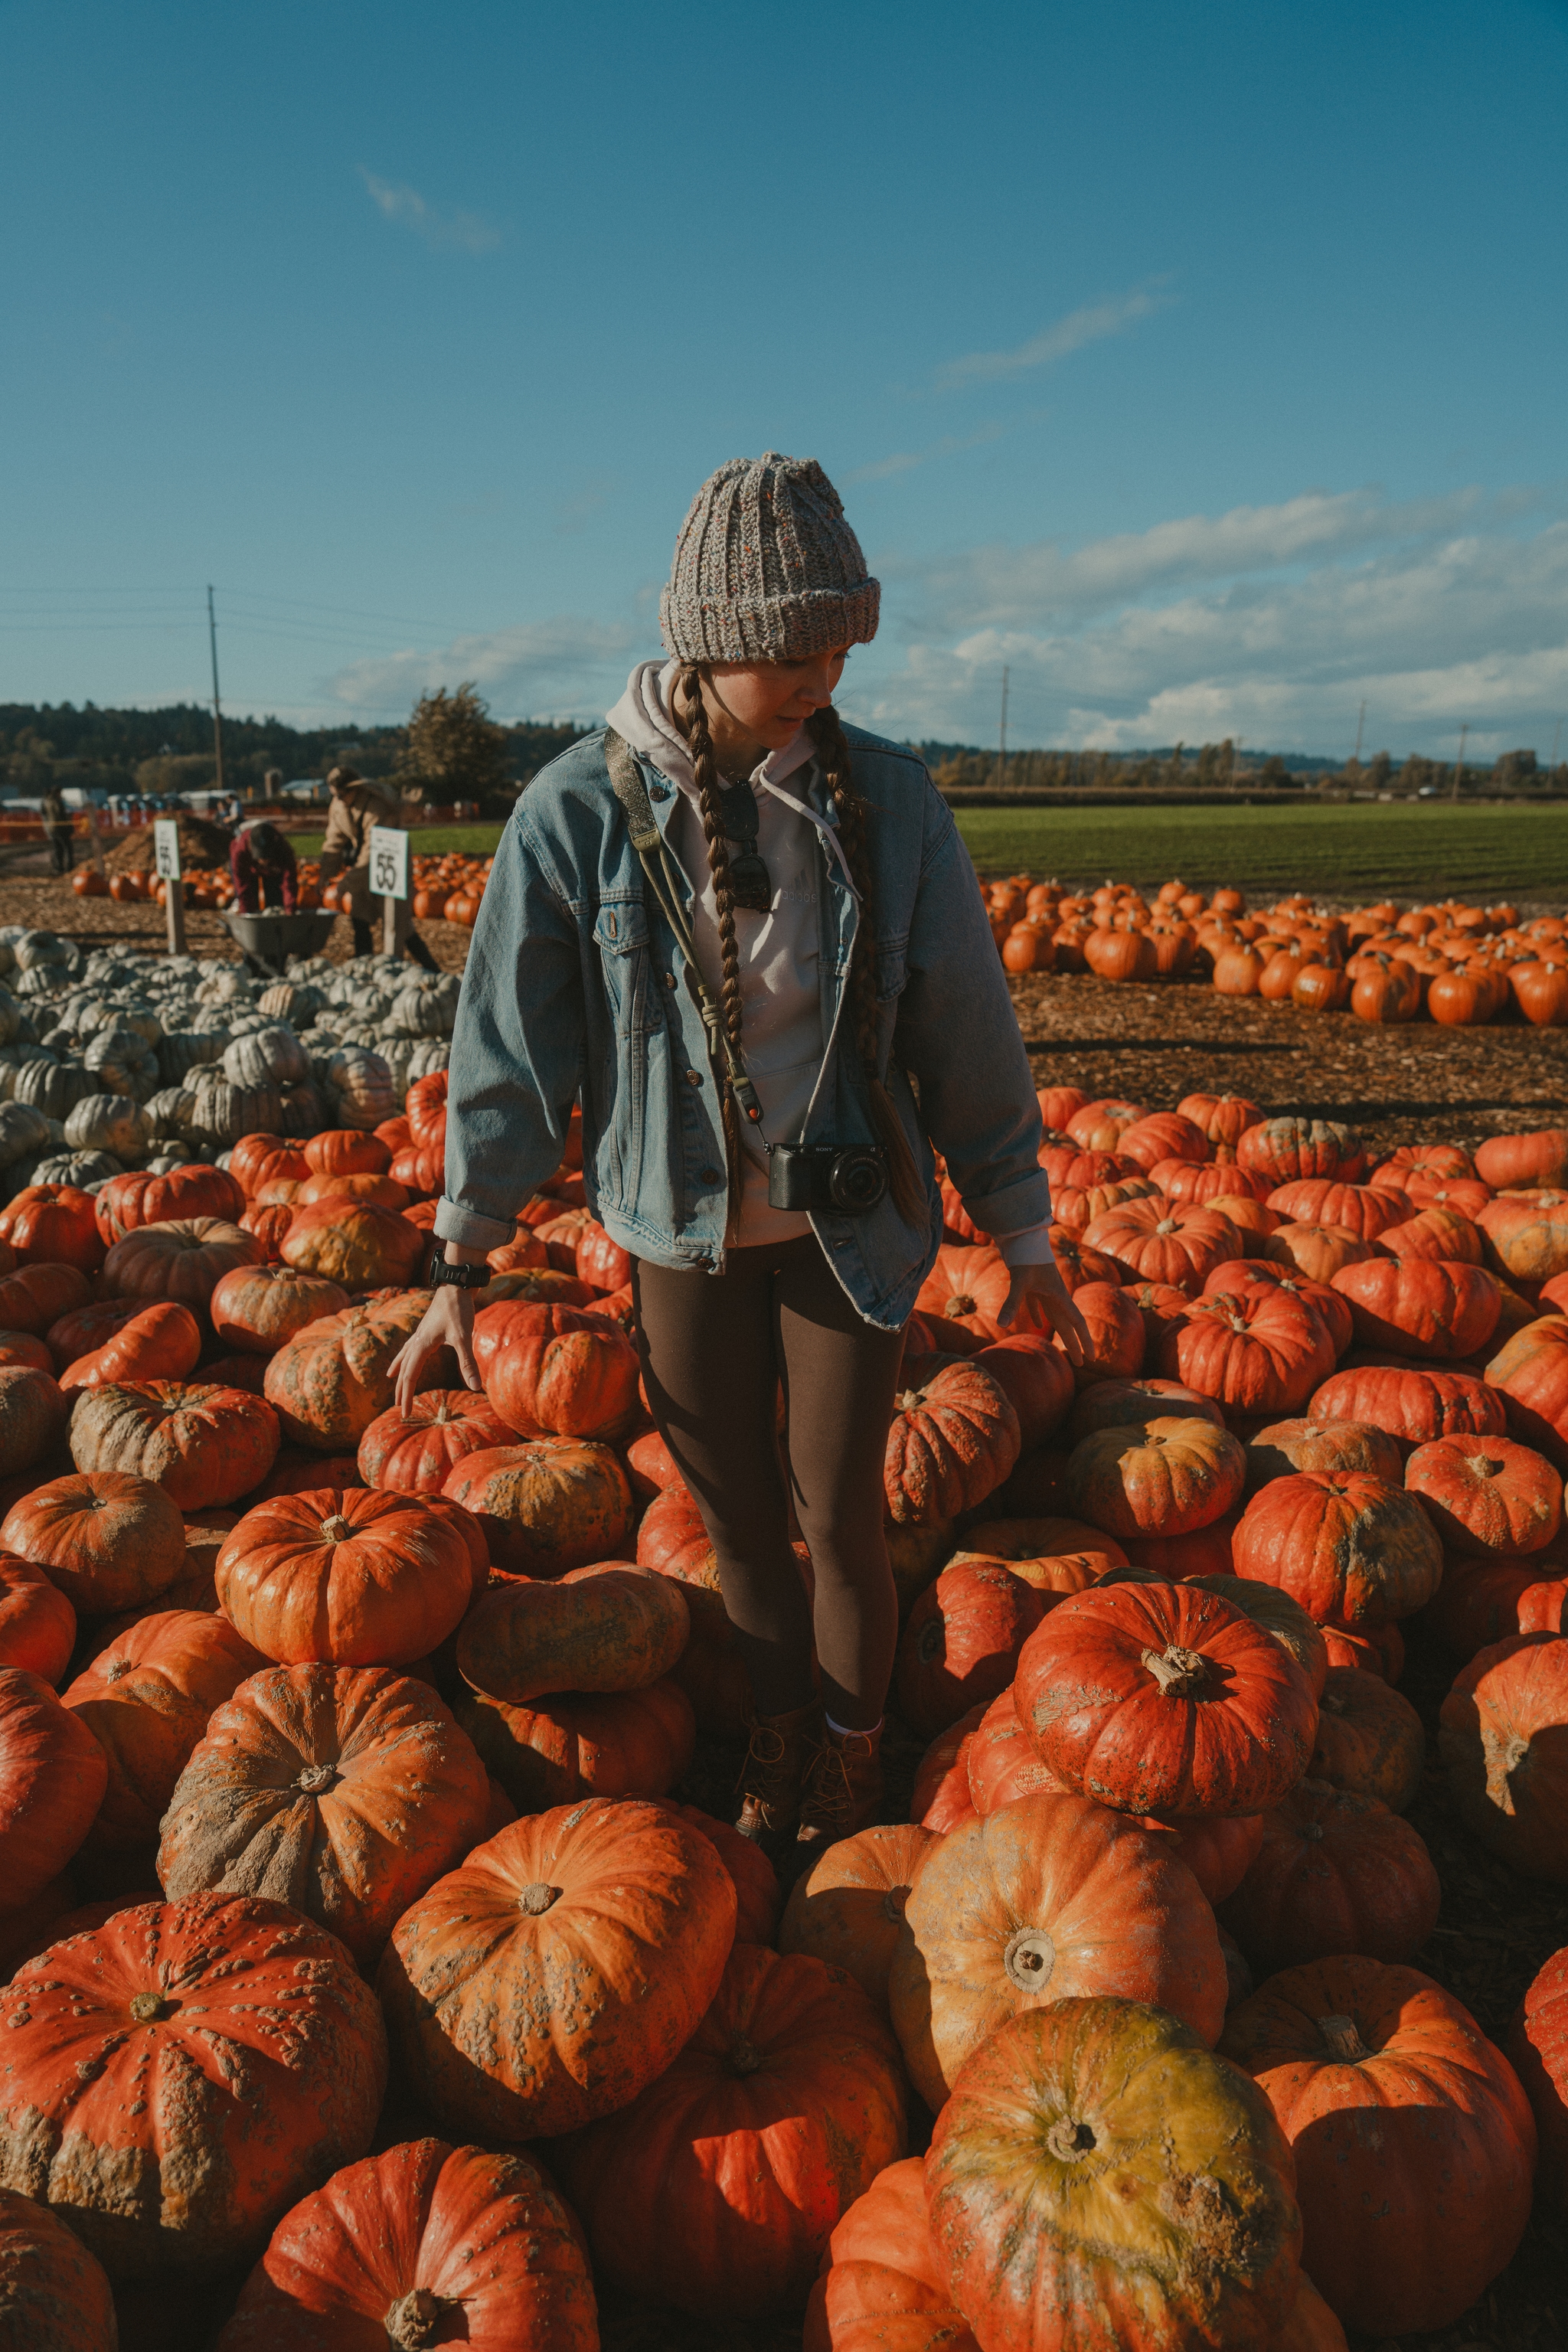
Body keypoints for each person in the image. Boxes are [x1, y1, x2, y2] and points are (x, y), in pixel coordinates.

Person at [390, 452, 1089, 1853]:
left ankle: (850, 1754)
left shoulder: (888, 802)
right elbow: (513, 1057)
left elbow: (966, 1025)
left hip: (844, 1230)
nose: (825, 670)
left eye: (841, 641)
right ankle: (774, 1736)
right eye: (796, 646)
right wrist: (456, 1259)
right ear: (706, 641)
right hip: (676, 1232)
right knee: (741, 1526)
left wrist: (1023, 1238)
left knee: (842, 1517)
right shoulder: (573, 815)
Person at [318, 766, 439, 968]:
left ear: (353, 789)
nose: (337, 799)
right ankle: (362, 966)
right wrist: (326, 872)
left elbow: (372, 851)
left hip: (390, 866)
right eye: (334, 796)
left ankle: (433, 971)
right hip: (363, 868)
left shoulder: (377, 806)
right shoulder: (338, 806)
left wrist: (345, 884)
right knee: (359, 917)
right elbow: (334, 838)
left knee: (399, 924)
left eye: (341, 795)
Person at [229, 818, 298, 913]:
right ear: (250, 845)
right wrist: (249, 916)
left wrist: (290, 909)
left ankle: (274, 917)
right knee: (250, 896)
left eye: (266, 856)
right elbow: (242, 885)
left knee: (275, 902)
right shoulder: (239, 851)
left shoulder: (283, 849)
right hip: (248, 868)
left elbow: (289, 882)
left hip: (273, 869)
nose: (263, 861)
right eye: (260, 856)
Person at [41, 782, 74, 877]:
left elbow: (44, 814)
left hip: (51, 828)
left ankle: (59, 868)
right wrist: (68, 823)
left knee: (57, 848)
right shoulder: (56, 801)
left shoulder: (47, 801)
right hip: (60, 828)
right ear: (58, 792)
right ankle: (69, 867)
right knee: (68, 847)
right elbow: (60, 814)